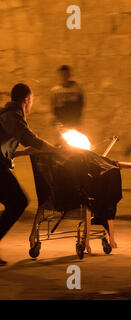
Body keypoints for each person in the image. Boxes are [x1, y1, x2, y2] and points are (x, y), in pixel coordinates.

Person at [0, 83, 58, 266]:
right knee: (18, 201)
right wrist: (56, 151)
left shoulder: (9, 114)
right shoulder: (12, 115)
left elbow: (7, 146)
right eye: (32, 100)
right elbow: (28, 138)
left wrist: (23, 153)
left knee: (15, 202)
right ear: (27, 100)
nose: (31, 104)